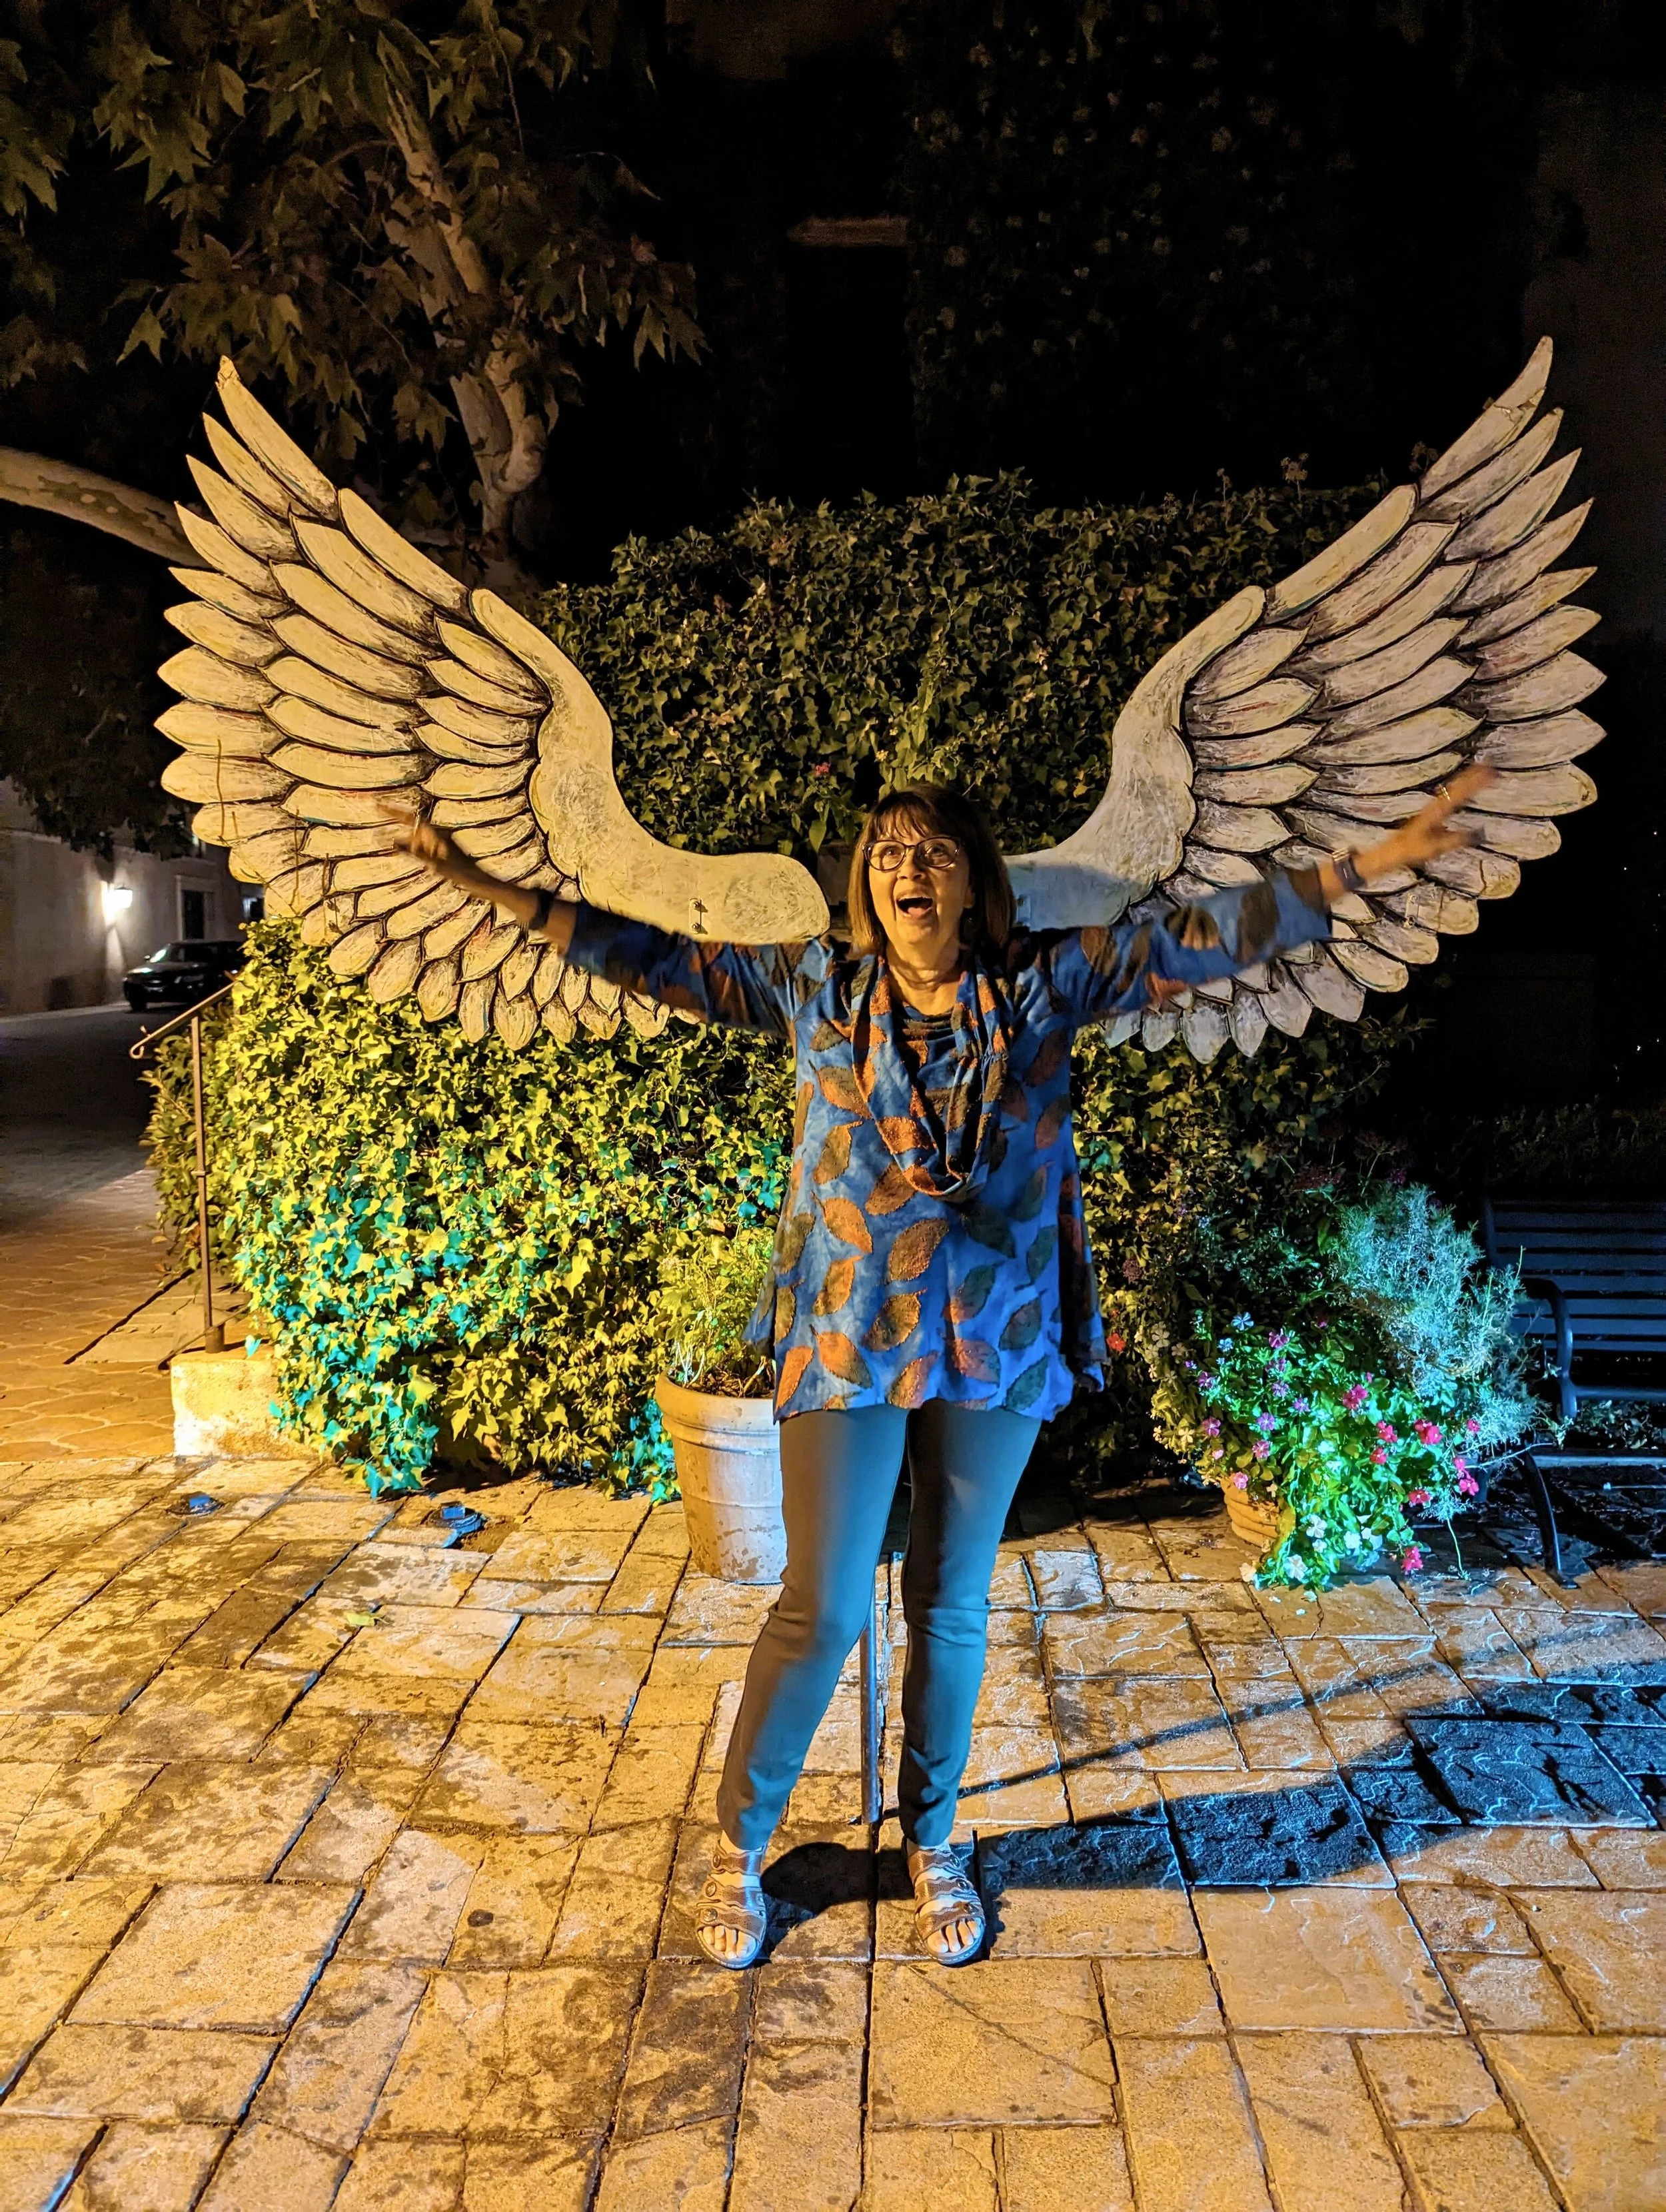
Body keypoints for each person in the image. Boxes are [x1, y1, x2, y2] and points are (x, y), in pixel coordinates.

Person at [387, 761, 1496, 1967]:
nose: (908, 867)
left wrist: (1370, 868)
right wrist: (482, 883)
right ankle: (736, 1846)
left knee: (950, 1605)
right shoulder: (816, 987)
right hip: (851, 1332)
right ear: (866, 885)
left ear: (973, 882)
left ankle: (934, 1840)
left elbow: (1203, 940)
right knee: (817, 1606)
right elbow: (644, 955)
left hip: (992, 1334)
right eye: (888, 852)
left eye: (934, 851)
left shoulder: (1042, 985)